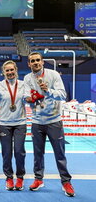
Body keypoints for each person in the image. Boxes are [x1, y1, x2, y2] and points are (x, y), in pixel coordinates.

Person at [24, 52, 75, 197]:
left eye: (38, 60)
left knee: (60, 154)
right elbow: (26, 96)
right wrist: (29, 98)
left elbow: (62, 94)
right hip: (37, 122)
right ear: (29, 64)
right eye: (32, 61)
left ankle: (66, 182)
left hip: (54, 121)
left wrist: (48, 91)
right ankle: (38, 179)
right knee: (38, 154)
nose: (35, 63)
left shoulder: (53, 75)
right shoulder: (28, 78)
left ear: (42, 62)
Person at [0, 60, 27, 191]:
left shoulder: (24, 85)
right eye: (7, 70)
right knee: (6, 153)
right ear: (3, 72)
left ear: (16, 70)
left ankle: (20, 177)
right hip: (4, 123)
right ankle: (9, 177)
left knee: (19, 151)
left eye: (11, 70)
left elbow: (30, 98)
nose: (9, 72)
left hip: (20, 122)